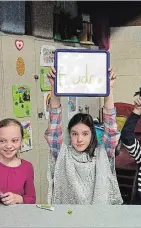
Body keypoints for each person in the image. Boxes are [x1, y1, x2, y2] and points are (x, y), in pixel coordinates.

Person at [45, 66, 123, 204]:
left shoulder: (103, 154)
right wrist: (54, 87)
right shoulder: (63, 154)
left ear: (92, 135)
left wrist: (109, 89)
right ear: (69, 134)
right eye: (74, 134)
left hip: (98, 220)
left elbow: (111, 128)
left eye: (85, 134)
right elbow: (54, 127)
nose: (79, 139)